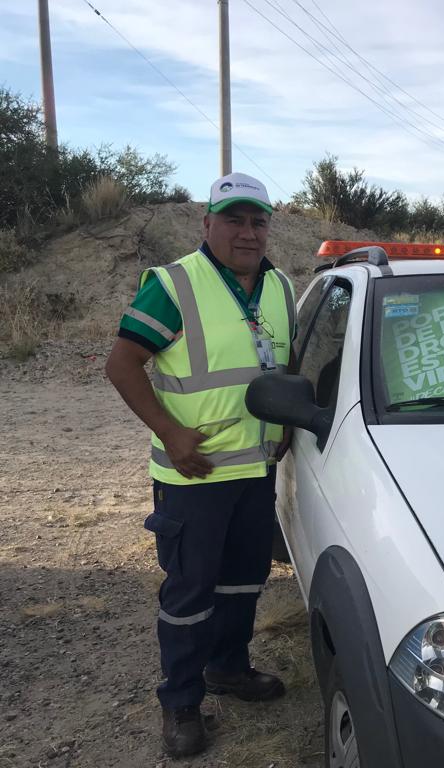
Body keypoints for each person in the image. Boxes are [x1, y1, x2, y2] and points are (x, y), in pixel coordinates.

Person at [105, 172, 296, 758]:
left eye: (257, 221)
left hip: (255, 471)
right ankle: (180, 703)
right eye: (233, 219)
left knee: (243, 582)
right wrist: (170, 431)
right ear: (206, 224)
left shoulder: (281, 287)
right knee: (190, 593)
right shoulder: (174, 285)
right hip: (196, 475)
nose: (247, 232)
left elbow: (282, 368)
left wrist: (286, 422)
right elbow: (122, 364)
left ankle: (229, 669)